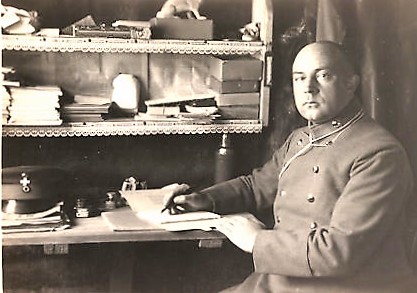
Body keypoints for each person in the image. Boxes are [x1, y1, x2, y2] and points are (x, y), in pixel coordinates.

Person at [164, 41, 416, 292]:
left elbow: (340, 250)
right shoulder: (300, 139)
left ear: (351, 83)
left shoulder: (379, 153)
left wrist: (256, 240)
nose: (308, 88)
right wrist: (203, 199)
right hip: (283, 280)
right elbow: (256, 186)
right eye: (299, 78)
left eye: (323, 75)